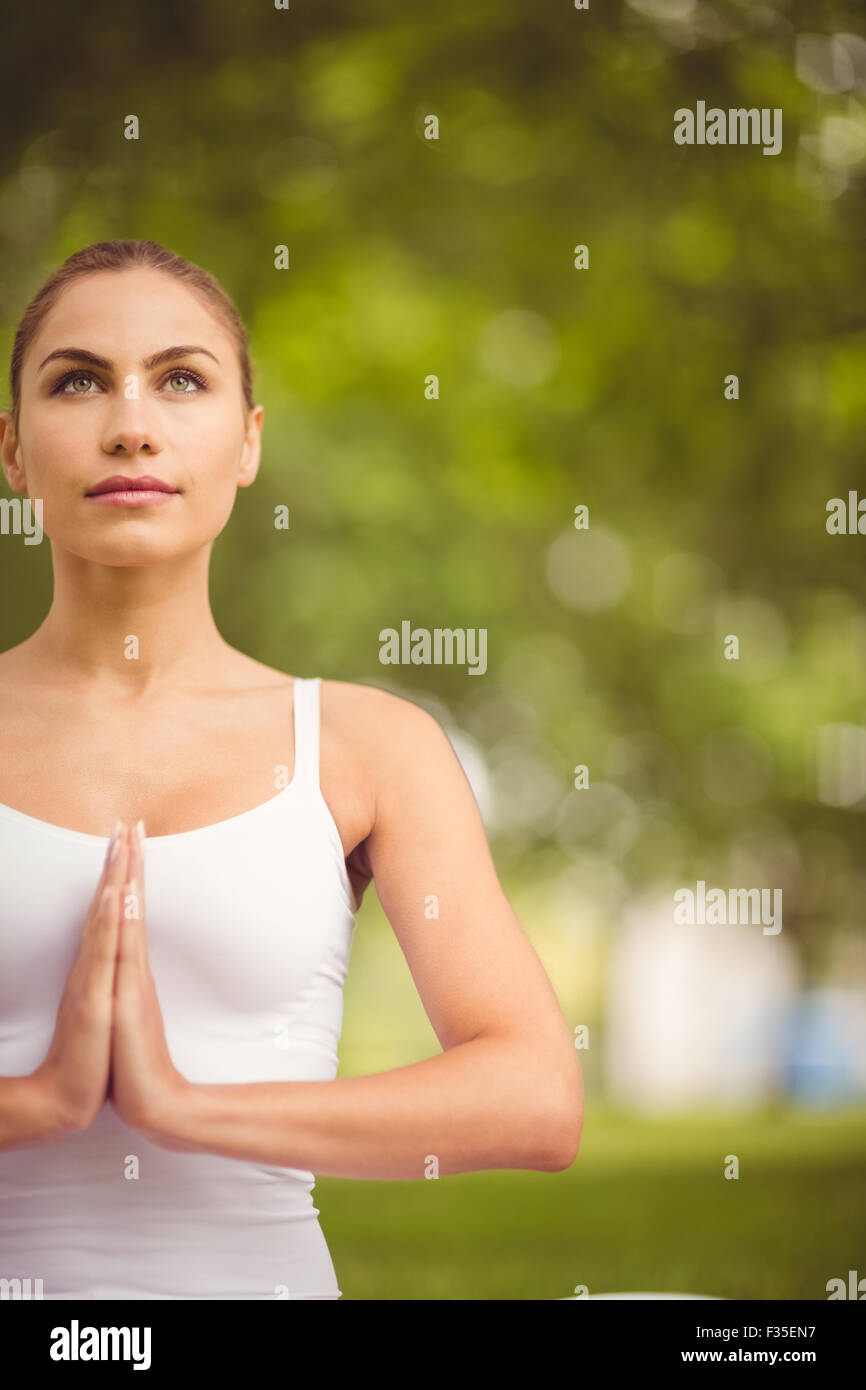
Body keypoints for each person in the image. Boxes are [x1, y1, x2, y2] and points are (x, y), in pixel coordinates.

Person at [0, 239, 583, 1300]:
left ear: (247, 443)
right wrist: (39, 1099)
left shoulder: (366, 745)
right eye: (77, 380)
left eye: (182, 379)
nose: (131, 422)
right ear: (12, 450)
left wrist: (184, 1106)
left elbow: (535, 1094)